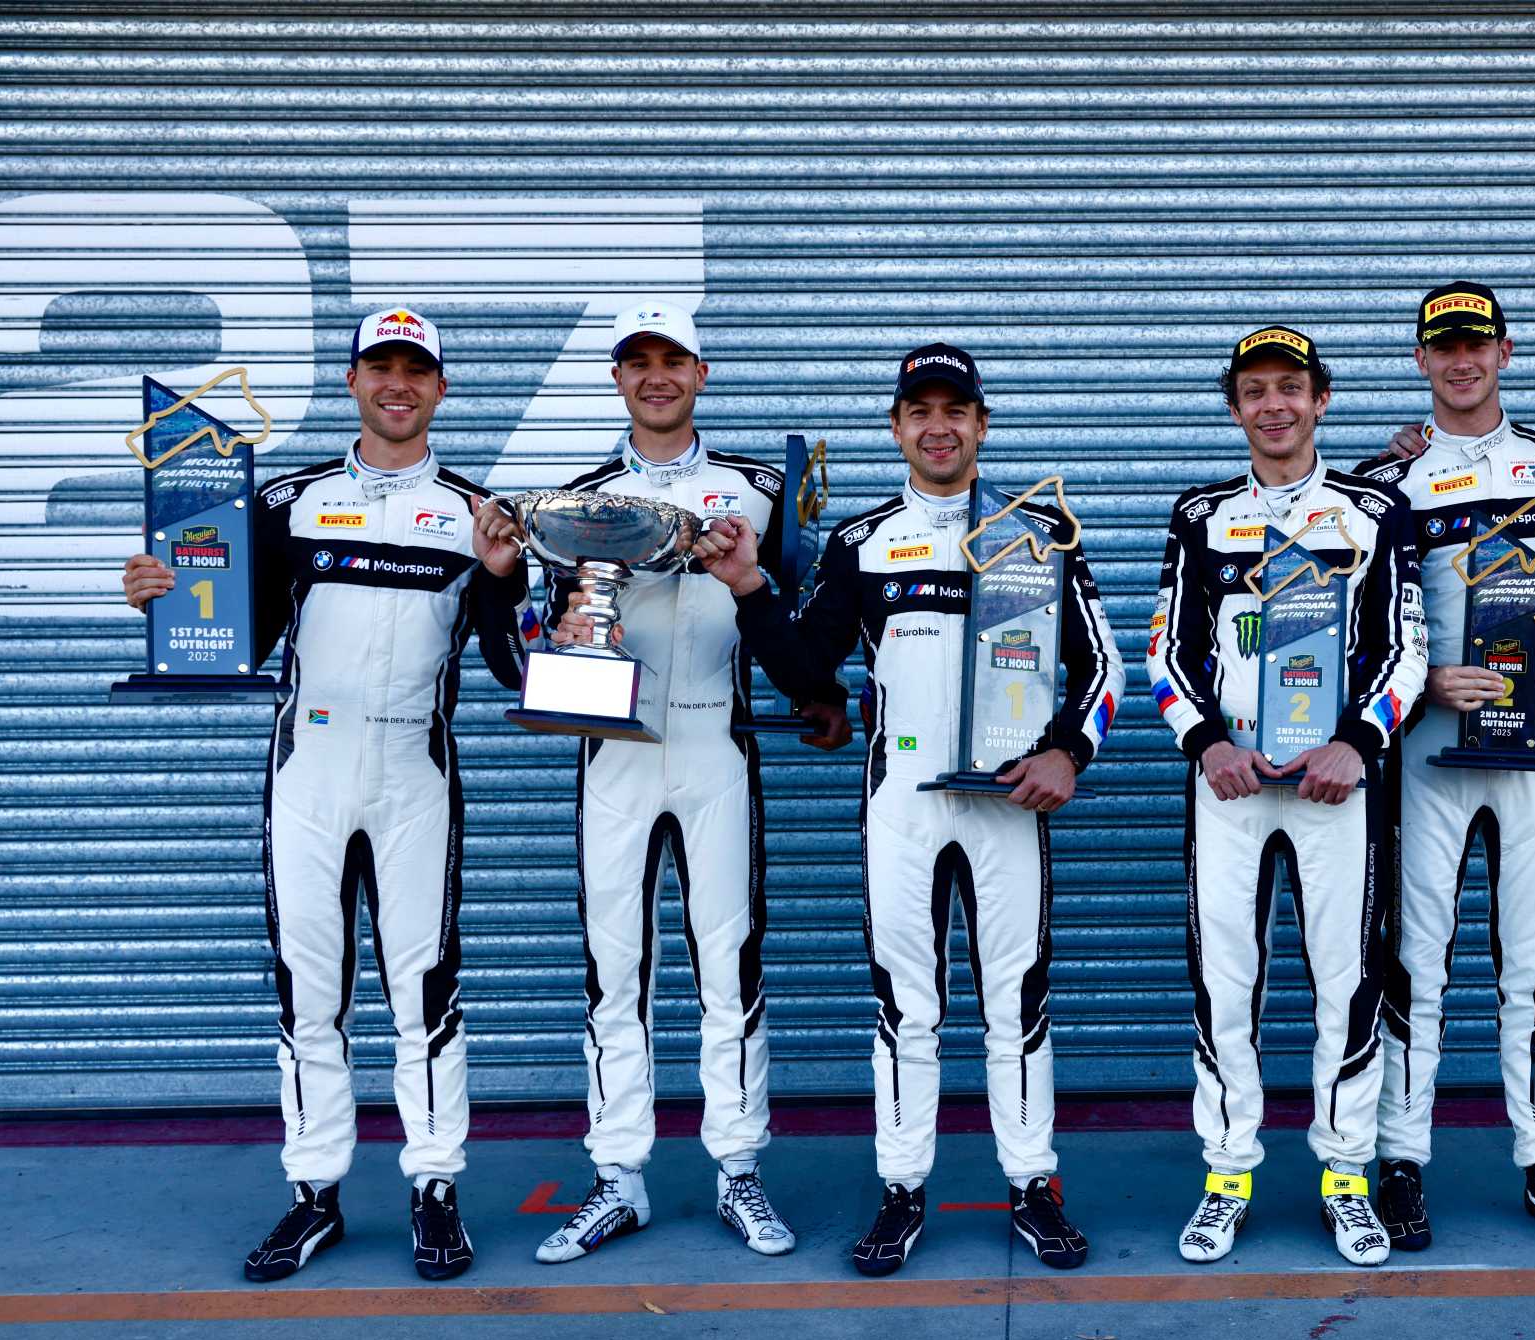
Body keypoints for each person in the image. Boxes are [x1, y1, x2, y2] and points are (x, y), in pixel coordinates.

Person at [120, 307, 529, 1282]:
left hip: (415, 773)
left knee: (424, 987)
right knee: (310, 988)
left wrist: (507, 578)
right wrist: (161, 594)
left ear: (440, 389)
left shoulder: (479, 513)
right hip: (307, 768)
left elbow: (513, 666)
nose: (397, 385)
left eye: (415, 370)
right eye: (380, 367)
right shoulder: (286, 503)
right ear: (352, 382)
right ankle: (315, 1195)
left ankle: (435, 1190)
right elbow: (232, 638)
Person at [708, 344, 1124, 1277]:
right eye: (920, 411)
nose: (939, 428)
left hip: (1007, 806)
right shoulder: (862, 540)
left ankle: (1033, 1185)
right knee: (906, 1005)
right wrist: (749, 589)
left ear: (982, 424)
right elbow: (807, 667)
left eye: (955, 410)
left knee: (1018, 998)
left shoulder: (1039, 530)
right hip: (901, 806)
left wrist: (1068, 750)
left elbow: (1102, 667)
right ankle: (901, 1190)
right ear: (897, 428)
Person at [530, 301, 852, 1266]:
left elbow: (802, 630)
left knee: (729, 965)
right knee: (614, 970)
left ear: (701, 373)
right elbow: (542, 638)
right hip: (614, 754)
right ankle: (617, 1177)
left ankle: (737, 1169)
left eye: (673, 359)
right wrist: (555, 639)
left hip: (719, 746)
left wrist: (824, 697)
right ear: (617, 378)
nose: (656, 376)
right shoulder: (576, 500)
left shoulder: (763, 489)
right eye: (638, 361)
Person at [1148, 326, 1428, 1267]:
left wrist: (1357, 743)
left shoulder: (1375, 511)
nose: (1275, 405)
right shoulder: (1200, 515)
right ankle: (1227, 1175)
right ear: (1236, 408)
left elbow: (1407, 648)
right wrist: (1206, 741)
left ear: (1321, 399)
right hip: (1230, 783)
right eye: (1255, 391)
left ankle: (1346, 1177)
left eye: (1291, 388)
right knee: (1226, 980)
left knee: (1347, 981)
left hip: (1333, 786)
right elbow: (1168, 649)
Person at [1352, 282, 1535, 1254]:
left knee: (1534, 961)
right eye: (1443, 347)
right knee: (1414, 962)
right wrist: (1419, 686)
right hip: (1425, 752)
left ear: (1505, 351)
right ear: (1421, 360)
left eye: (1476, 343)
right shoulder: (1385, 481)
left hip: (1534, 749)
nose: (1461, 361)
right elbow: (1351, 629)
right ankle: (1401, 1161)